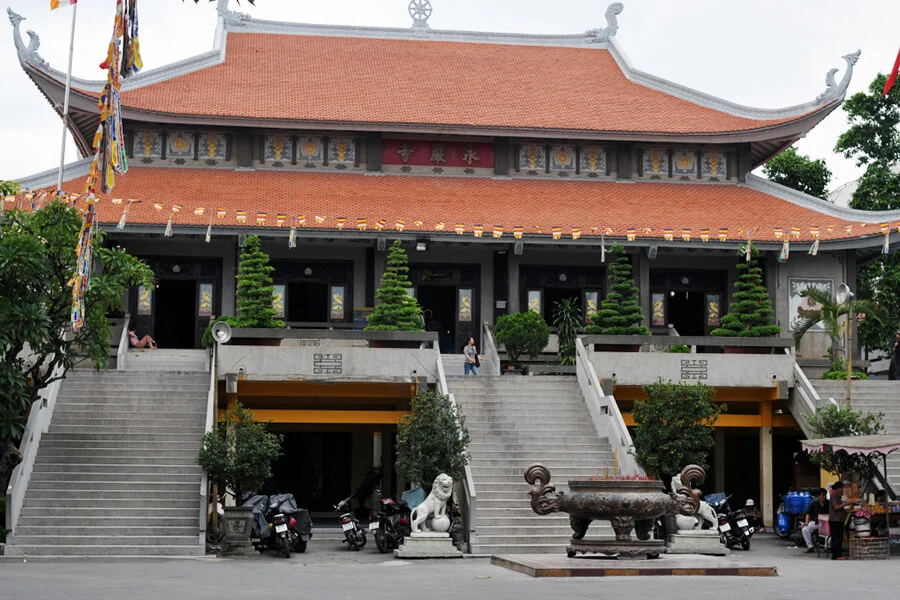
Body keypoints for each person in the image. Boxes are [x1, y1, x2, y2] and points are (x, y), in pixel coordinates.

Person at [801, 488, 828, 553]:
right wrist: (806, 522)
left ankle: (827, 547)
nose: (824, 497)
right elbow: (808, 513)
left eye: (825, 495)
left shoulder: (828, 503)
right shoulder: (813, 503)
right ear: (818, 496)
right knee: (805, 529)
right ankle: (810, 547)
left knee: (830, 531)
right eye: (822, 495)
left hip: (826, 523)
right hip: (815, 522)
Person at [829, 481, 850, 560]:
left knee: (838, 537)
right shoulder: (834, 495)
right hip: (835, 520)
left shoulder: (837, 496)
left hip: (837, 519)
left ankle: (837, 554)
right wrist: (846, 504)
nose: (842, 490)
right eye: (842, 488)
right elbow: (836, 507)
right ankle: (836, 555)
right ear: (838, 488)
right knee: (837, 537)